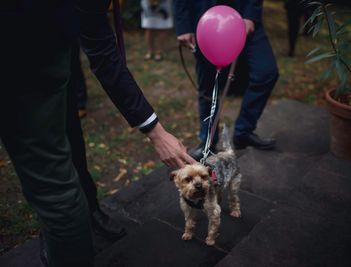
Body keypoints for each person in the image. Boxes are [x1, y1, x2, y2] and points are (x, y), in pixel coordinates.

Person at [0, 1, 195, 266]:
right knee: (55, 191)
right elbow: (103, 53)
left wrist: (155, 130)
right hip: (20, 51)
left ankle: (89, 210)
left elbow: (101, 46)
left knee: (70, 137)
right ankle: (58, 232)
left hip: (53, 43)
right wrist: (156, 132)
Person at [173, 0, 279, 160]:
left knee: (266, 72)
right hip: (205, 19)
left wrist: (250, 15)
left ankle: (243, 132)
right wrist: (183, 25)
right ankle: (207, 142)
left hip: (244, 17)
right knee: (208, 87)